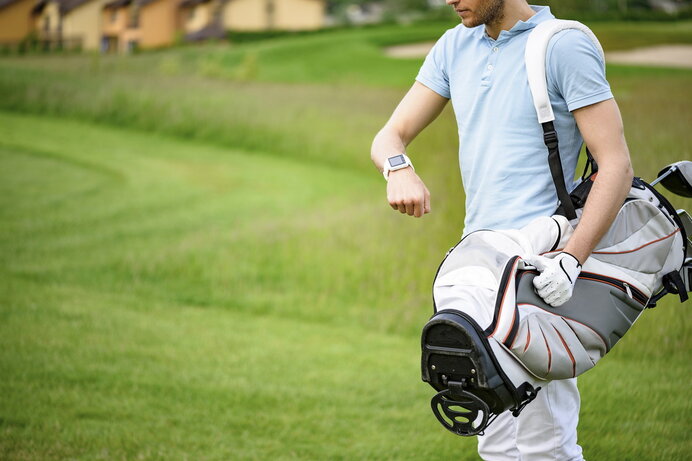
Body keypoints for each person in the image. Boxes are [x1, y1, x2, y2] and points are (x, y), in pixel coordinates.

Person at [370, 1, 634, 459]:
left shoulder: (563, 45)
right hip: (480, 267)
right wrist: (399, 169)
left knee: (544, 444)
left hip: (540, 271)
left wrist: (571, 259)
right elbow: (389, 136)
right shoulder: (455, 45)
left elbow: (616, 165)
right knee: (494, 439)